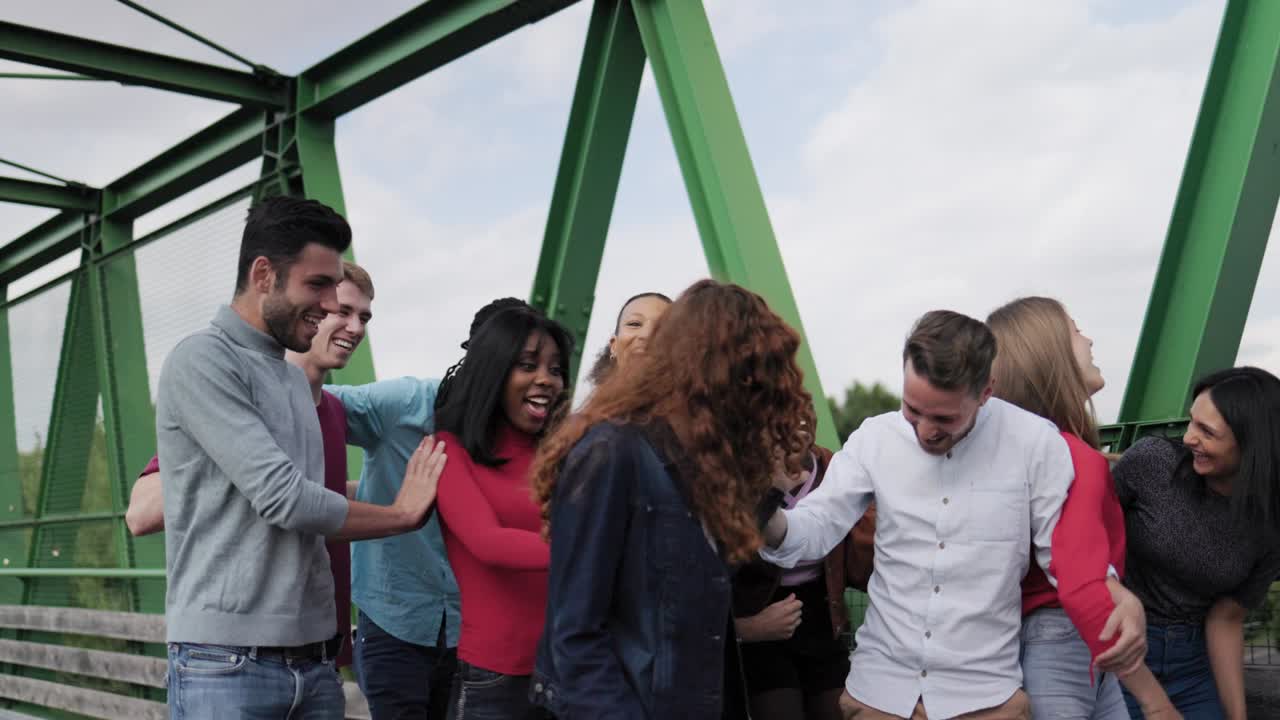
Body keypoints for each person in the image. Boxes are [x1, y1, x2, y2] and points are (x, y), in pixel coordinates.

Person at [759, 310, 1146, 720]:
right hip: (879, 693)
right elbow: (816, 529)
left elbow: (1064, 555)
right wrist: (765, 508)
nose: (925, 429)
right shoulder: (874, 438)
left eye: (944, 417)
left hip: (985, 699)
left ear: (985, 392)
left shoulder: (1035, 443)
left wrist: (1114, 592)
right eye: (912, 410)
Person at [155, 196, 444, 720]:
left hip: (315, 662)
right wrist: (402, 513)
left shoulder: (296, 382)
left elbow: (319, 509)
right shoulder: (202, 359)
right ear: (263, 274)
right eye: (318, 286)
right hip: (225, 664)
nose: (333, 305)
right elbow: (286, 498)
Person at [529, 278, 816, 719]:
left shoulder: (699, 461)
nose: (756, 398)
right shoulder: (611, 453)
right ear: (709, 372)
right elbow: (575, 634)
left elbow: (702, 578)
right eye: (751, 378)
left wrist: (772, 488)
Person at [126, 260, 379, 671]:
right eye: (343, 311)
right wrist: (247, 464)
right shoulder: (244, 400)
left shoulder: (332, 411)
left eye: (364, 317)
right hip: (242, 653)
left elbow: (319, 496)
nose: (356, 328)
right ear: (311, 311)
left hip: (317, 647)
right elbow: (138, 513)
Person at [324, 296, 533, 720]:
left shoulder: (528, 432)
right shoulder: (403, 404)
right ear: (472, 356)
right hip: (393, 617)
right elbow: (303, 400)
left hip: (475, 630)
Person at [987, 297, 1177, 719]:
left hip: (1051, 644)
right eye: (1075, 330)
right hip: (1069, 641)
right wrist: (1157, 703)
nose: (1089, 340)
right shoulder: (1073, 458)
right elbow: (1082, 585)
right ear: (1049, 356)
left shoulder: (1027, 454)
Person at [1113, 366, 1280, 720]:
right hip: (1119, 648)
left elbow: (1227, 618)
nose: (1189, 438)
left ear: (1252, 445)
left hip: (1193, 662)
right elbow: (1083, 541)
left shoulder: (1269, 523)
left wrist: (1237, 715)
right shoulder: (1152, 463)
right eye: (1192, 421)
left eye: (1207, 431)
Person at [433, 306, 573, 718]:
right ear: (493, 371)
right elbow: (488, 542)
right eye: (527, 366)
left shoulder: (565, 454)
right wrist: (590, 546)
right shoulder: (448, 450)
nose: (546, 379)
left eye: (555, 369)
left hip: (571, 669)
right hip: (496, 678)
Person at [732, 440, 875, 720]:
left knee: (834, 708)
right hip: (760, 611)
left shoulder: (833, 470)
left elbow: (865, 557)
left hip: (820, 611)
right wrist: (744, 628)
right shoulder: (735, 474)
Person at [586, 292, 672, 385]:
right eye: (634, 324)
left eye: (660, 326)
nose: (646, 335)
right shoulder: (598, 399)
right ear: (614, 345)